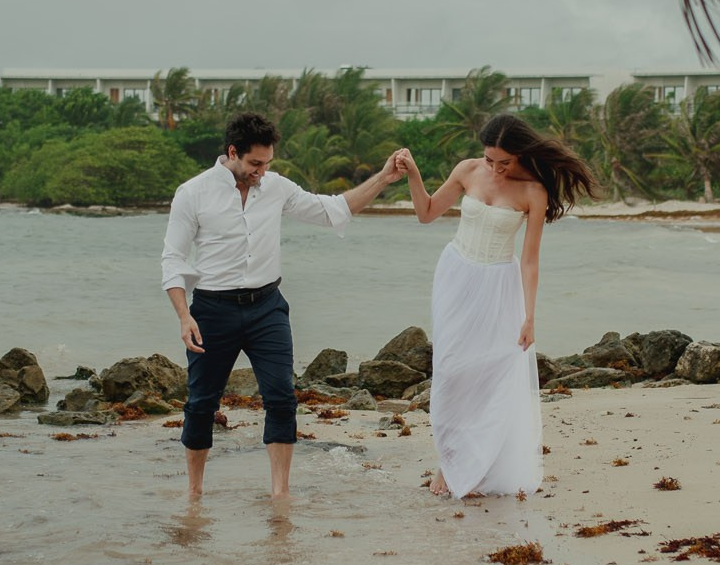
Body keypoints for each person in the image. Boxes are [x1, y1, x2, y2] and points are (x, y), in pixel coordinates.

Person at [162, 112, 405, 500]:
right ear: (232, 152)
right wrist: (183, 315)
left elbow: (332, 210)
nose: (262, 171)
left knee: (281, 397)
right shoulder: (193, 193)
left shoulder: (275, 187)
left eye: (267, 163)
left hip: (267, 308)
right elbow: (173, 259)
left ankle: (280, 496)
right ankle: (194, 495)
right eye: (255, 163)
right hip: (211, 310)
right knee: (201, 403)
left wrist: (383, 177)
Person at [399, 113, 595, 498]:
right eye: (490, 159)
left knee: (488, 373)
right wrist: (413, 175)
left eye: (503, 162)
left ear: (520, 155)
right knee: (451, 369)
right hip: (456, 275)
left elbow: (530, 260)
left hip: (498, 285)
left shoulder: (533, 192)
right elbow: (426, 214)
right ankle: (450, 459)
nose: (495, 168)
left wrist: (529, 317)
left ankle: (470, 466)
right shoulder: (467, 170)